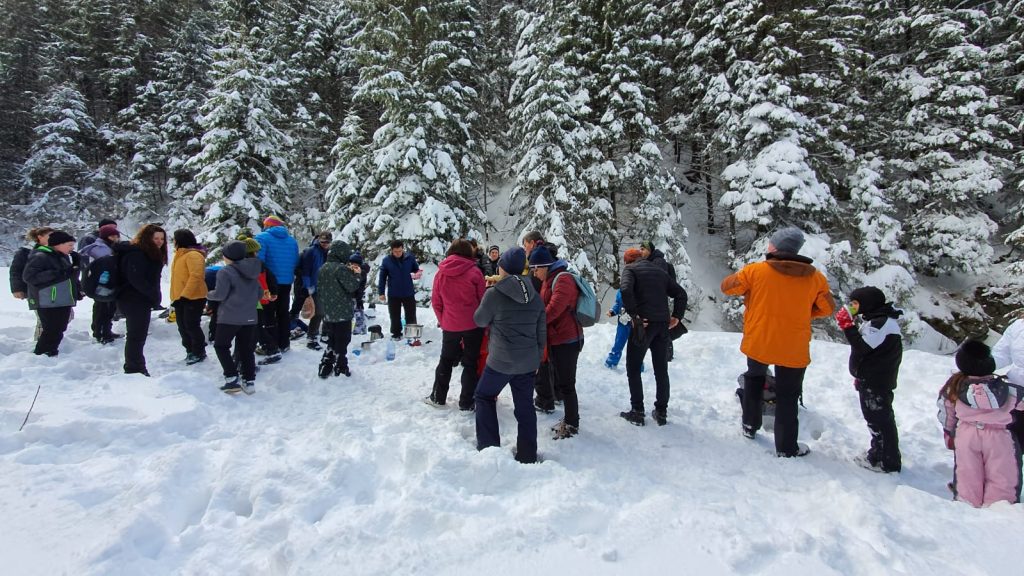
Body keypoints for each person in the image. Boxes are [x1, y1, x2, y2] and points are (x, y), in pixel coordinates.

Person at [720, 226, 835, 457]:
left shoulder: (756, 271)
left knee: (754, 380)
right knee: (788, 395)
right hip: (793, 344)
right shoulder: (815, 278)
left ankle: (750, 425)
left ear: (776, 247)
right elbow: (827, 308)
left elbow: (727, 287)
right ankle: (786, 447)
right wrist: (804, 312)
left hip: (760, 339)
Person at [474, 248, 547, 464]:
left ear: (502, 268)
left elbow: (479, 320)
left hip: (500, 361)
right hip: (527, 362)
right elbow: (541, 332)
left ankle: (489, 448)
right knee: (525, 408)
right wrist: (537, 359)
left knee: (484, 396)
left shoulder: (494, 294)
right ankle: (527, 455)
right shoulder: (535, 296)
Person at [938, 339, 1024, 507]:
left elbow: (946, 412)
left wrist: (949, 433)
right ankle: (1000, 507)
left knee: (967, 473)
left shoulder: (954, 388)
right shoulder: (1009, 390)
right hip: (999, 437)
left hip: (966, 435)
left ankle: (966, 505)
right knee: (1002, 475)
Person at [836, 286, 904, 472]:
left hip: (877, 381)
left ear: (867, 304)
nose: (852, 307)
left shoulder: (881, 323)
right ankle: (879, 453)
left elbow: (863, 347)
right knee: (875, 418)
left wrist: (848, 326)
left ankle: (887, 461)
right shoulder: (876, 320)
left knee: (880, 420)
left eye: (856, 303)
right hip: (872, 378)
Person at [618, 246, 688, 426]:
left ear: (627, 261)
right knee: (661, 369)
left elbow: (625, 290)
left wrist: (635, 316)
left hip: (644, 325)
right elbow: (681, 293)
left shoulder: (630, 270)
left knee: (633, 367)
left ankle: (637, 411)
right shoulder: (659, 271)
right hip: (662, 325)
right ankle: (661, 411)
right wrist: (677, 316)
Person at [529, 245, 583, 439]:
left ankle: (572, 423)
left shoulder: (563, 279)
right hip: (557, 338)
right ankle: (569, 419)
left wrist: (535, 321)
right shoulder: (550, 279)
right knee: (562, 380)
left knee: (567, 384)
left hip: (567, 339)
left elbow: (553, 309)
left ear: (544, 266)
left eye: (535, 269)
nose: (534, 273)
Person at [426, 239, 486, 409]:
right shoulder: (475, 272)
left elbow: (436, 302)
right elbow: (483, 300)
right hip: (473, 325)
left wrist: (443, 321)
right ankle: (467, 402)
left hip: (450, 325)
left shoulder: (441, 273)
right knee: (470, 363)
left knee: (446, 360)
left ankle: (438, 397)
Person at [206, 240, 261, 394]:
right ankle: (249, 382)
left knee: (221, 346)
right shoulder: (252, 270)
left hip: (229, 316)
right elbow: (259, 293)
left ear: (228, 256)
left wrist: (208, 294)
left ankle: (231, 378)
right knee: (246, 349)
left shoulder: (225, 272)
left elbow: (220, 294)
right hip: (250, 317)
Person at [115, 224, 168, 376]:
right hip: (133, 299)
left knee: (138, 335)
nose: (159, 241)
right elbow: (136, 278)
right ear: (147, 238)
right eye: (155, 238)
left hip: (139, 299)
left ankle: (135, 365)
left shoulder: (150, 253)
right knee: (136, 335)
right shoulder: (137, 254)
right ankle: (134, 367)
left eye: (162, 239)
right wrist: (152, 295)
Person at [22, 230, 80, 356]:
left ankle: (51, 351)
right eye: (69, 245)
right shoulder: (40, 256)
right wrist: (58, 273)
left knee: (60, 328)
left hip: (62, 298)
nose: (72, 248)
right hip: (47, 299)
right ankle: (42, 353)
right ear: (58, 244)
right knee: (51, 329)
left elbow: (69, 276)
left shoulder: (62, 256)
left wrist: (76, 267)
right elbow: (29, 276)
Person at [316, 240, 362, 378]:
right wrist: (357, 275)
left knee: (332, 337)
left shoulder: (323, 268)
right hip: (342, 310)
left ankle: (326, 363)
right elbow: (352, 286)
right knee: (343, 339)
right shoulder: (340, 269)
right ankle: (341, 366)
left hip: (328, 310)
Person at [255, 215, 300, 353]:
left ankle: (270, 344)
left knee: (268, 313)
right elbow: (295, 261)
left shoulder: (261, 238)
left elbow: (258, 262)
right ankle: (284, 342)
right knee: (283, 312)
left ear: (268, 226)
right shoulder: (292, 241)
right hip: (286, 281)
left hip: (269, 283)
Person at [170, 229, 208, 365]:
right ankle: (190, 350)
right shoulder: (180, 254)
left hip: (194, 297)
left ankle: (199, 351)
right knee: (182, 326)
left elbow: (196, 276)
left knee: (191, 325)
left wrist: (185, 296)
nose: (173, 242)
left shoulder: (193, 255)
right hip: (180, 297)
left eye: (175, 239)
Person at [79, 224, 123, 344]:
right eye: (112, 236)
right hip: (101, 283)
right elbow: (106, 264)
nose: (115, 238)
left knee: (109, 308)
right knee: (102, 308)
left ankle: (106, 330)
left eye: (116, 236)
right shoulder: (99, 248)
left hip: (107, 281)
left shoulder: (108, 246)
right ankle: (101, 332)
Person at [605, 249, 643, 369]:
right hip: (623, 321)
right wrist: (613, 311)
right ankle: (612, 361)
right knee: (619, 342)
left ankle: (638, 366)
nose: (627, 265)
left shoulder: (642, 280)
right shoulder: (626, 278)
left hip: (636, 321)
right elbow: (619, 301)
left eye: (629, 262)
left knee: (637, 345)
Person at [378, 239, 421, 340]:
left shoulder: (409, 258)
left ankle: (412, 332)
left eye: (400, 251)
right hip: (394, 293)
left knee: (411, 314)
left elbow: (416, 269)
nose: (398, 253)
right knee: (394, 315)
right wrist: (381, 292)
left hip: (408, 291)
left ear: (403, 249)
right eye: (395, 251)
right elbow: (382, 278)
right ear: (391, 251)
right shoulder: (386, 261)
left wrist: (417, 273)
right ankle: (396, 333)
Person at [992, 312, 1024, 447]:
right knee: (1014, 445)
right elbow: (1000, 354)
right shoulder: (1018, 327)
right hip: (1017, 397)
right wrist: (980, 366)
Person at [300, 231, 332, 350]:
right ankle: (311, 337)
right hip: (313, 286)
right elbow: (306, 271)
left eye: (327, 242)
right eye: (323, 241)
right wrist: (307, 286)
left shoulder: (329, 253)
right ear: (319, 240)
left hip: (325, 286)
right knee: (318, 312)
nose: (325, 244)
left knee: (325, 311)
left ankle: (324, 334)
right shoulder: (311, 251)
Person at [349, 251, 370, 335]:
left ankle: (360, 329)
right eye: (352, 263)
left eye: (356, 264)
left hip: (357, 296)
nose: (354, 265)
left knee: (358, 313)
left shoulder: (362, 272)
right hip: (351, 297)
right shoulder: (350, 271)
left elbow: (358, 284)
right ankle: (359, 329)